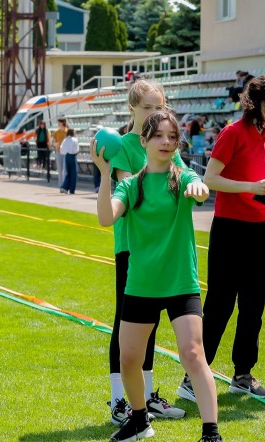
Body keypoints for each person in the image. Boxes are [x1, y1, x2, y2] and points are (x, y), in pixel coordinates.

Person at [92, 111, 226, 442]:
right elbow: (106, 218)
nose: (167, 143)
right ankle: (139, 420)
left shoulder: (182, 177)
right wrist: (105, 175)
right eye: (159, 137)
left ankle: (212, 436)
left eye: (172, 137)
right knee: (129, 360)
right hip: (141, 284)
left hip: (180, 282)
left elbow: (198, 189)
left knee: (193, 354)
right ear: (145, 142)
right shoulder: (130, 184)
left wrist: (198, 187)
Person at [177, 74, 265, 401]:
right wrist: (252, 187)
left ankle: (243, 374)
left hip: (259, 228)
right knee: (220, 304)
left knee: (253, 305)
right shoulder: (232, 132)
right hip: (229, 228)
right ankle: (192, 379)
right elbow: (210, 178)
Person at [105, 78, 187, 424]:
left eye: (160, 107)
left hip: (164, 247)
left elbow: (180, 178)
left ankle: (148, 395)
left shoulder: (169, 143)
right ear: (132, 109)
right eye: (148, 108)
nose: (156, 113)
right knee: (125, 322)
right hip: (132, 245)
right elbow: (131, 185)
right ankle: (117, 401)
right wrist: (156, 159)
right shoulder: (121, 145)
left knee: (151, 324)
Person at [58, 128, 79, 195]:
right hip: (72, 156)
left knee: (68, 173)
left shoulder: (65, 140)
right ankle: (72, 189)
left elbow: (62, 149)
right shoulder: (74, 140)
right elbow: (76, 150)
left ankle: (65, 187)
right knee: (74, 173)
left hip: (66, 156)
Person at [51, 119, 68, 192]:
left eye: (59, 122)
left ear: (62, 123)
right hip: (59, 151)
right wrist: (55, 144)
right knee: (60, 169)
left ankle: (65, 185)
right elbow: (52, 141)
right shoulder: (56, 132)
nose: (58, 124)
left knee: (65, 170)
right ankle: (61, 185)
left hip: (66, 152)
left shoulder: (67, 131)